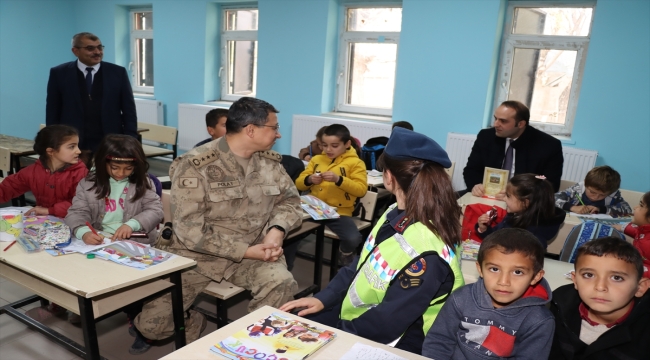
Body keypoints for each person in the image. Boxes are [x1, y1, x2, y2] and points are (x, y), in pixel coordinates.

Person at [130, 97, 302, 354]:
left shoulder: (270, 163)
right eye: (273, 127)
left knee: (281, 283)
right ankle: (194, 322)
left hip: (255, 251)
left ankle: (253, 347)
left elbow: (290, 202)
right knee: (152, 326)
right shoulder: (196, 164)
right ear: (251, 130)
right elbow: (189, 231)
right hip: (197, 256)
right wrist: (244, 250)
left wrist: (276, 230)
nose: (278, 134)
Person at [281, 128, 465, 355]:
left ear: (388, 177)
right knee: (294, 323)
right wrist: (324, 298)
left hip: (401, 341)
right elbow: (361, 263)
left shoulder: (427, 252)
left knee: (295, 341)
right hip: (364, 319)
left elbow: (387, 323)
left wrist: (334, 335)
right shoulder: (393, 213)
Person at [422, 228, 554, 359]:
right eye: (494, 269)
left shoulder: (539, 321)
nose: (504, 282)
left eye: (517, 272)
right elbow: (438, 342)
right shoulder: (461, 299)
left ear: (536, 277)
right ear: (480, 269)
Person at [549, 237, 650, 359]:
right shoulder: (557, 306)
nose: (600, 287)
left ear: (640, 287)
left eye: (617, 278)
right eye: (589, 275)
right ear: (575, 280)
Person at [46, 32, 137, 166]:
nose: (97, 52)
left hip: (110, 140)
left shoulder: (117, 73)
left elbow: (129, 110)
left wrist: (130, 140)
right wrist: (53, 141)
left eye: (100, 47)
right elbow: (53, 110)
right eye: (90, 48)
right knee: (74, 181)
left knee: (108, 180)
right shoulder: (59, 73)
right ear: (75, 51)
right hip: (72, 142)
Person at [64, 134, 163, 245]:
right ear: (103, 163)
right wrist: (83, 232)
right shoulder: (88, 183)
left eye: (128, 168)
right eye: (114, 167)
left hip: (137, 242)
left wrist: (132, 225)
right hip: (102, 239)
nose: (121, 173)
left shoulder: (144, 182)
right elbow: (77, 213)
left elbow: (155, 211)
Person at [295, 124, 368, 266]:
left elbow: (361, 190)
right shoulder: (316, 160)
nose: (328, 150)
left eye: (334, 145)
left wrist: (339, 180)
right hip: (313, 208)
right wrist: (309, 179)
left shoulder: (356, 163)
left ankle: (345, 254)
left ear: (347, 144)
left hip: (339, 212)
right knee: (291, 231)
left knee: (353, 238)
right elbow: (298, 184)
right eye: (324, 145)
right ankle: (287, 262)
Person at [463, 100, 564, 197]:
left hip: (524, 202)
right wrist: (475, 186)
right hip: (486, 194)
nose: (496, 124)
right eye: (496, 118)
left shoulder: (548, 145)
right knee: (451, 202)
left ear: (520, 124)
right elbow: (471, 169)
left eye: (503, 121)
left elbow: (550, 184)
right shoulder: (486, 136)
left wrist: (517, 196)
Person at [0, 125, 87, 217]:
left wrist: (50, 210)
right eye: (71, 147)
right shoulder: (33, 171)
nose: (78, 151)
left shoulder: (81, 173)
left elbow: (82, 204)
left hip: (76, 223)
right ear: (50, 151)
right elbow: (8, 187)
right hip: (46, 222)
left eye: (77, 146)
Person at [476, 173, 566, 248]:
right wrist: (484, 229)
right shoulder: (515, 216)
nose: (504, 199)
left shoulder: (534, 233)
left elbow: (529, 257)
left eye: (508, 196)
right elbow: (495, 236)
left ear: (525, 203)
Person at [555, 166, 632, 217]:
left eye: (602, 195)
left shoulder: (613, 195)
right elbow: (552, 199)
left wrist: (601, 209)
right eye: (592, 192)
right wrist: (572, 207)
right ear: (585, 183)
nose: (595, 197)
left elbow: (627, 210)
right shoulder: (577, 189)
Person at [616, 191, 650, 278]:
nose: (635, 207)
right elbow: (637, 231)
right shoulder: (645, 231)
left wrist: (631, 271)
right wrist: (620, 227)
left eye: (641, 205)